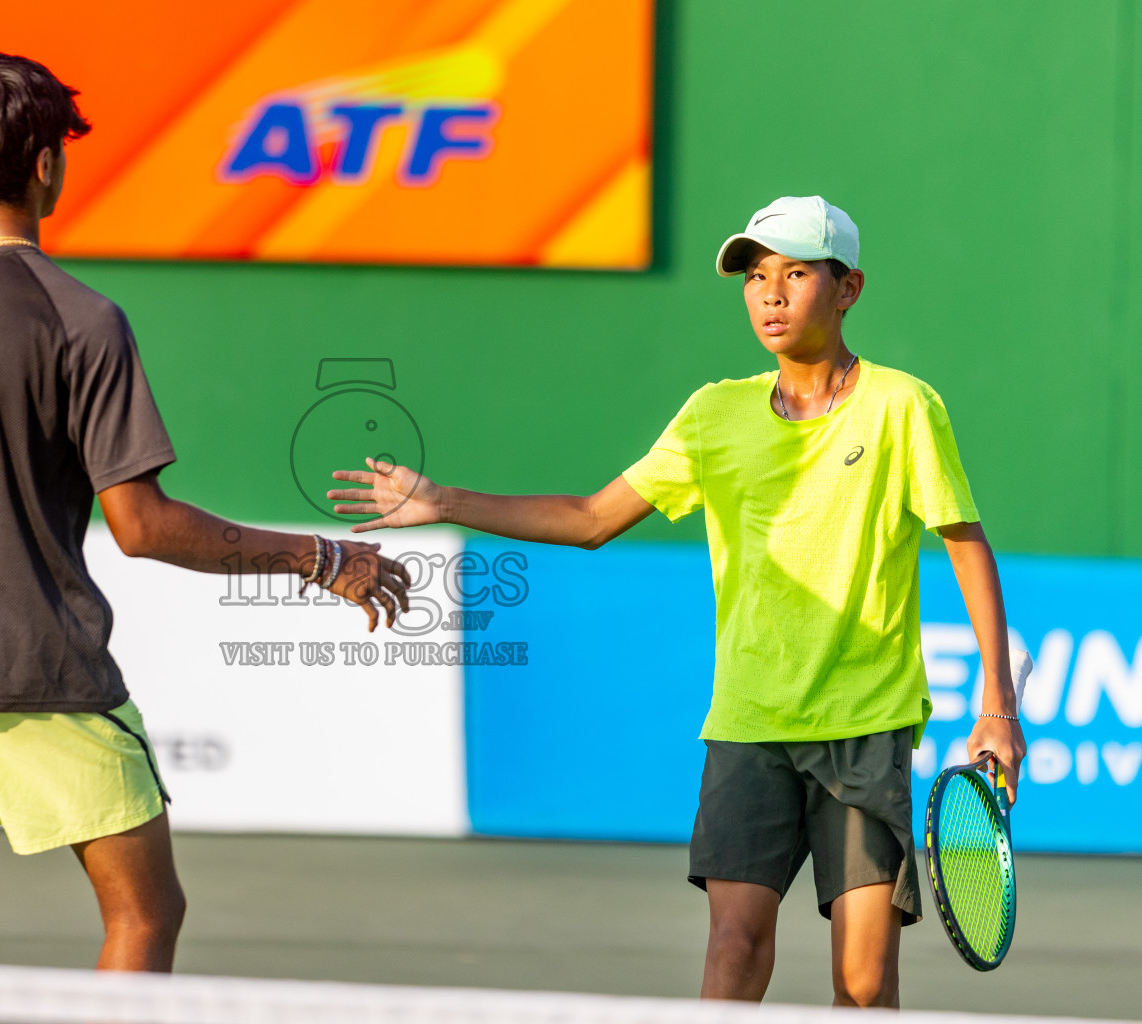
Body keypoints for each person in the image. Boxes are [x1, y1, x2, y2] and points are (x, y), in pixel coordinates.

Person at [328, 196, 1026, 1006]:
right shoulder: (713, 415)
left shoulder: (904, 406)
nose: (769, 294)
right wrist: (444, 498)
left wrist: (996, 706)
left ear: (847, 289)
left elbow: (964, 543)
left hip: (865, 729)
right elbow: (591, 520)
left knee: (864, 984)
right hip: (748, 728)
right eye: (757, 276)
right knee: (733, 953)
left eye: (795, 274)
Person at [0, 49, 410, 972]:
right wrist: (320, 558)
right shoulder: (80, 318)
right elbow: (140, 525)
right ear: (47, 163)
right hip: (40, 672)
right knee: (145, 915)